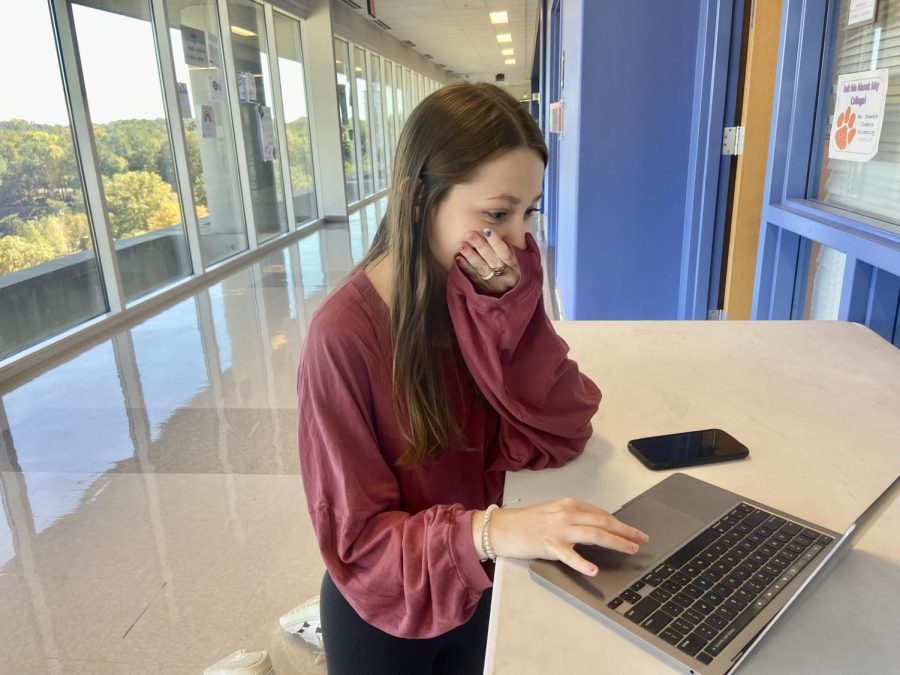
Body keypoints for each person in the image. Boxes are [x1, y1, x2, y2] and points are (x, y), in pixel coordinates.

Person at [296, 81, 649, 674]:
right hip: (391, 611)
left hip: (488, 577)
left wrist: (509, 315)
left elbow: (560, 428)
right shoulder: (342, 336)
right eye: (495, 213)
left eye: (529, 211)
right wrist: (491, 530)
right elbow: (358, 544)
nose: (516, 239)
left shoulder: (490, 289)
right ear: (417, 201)